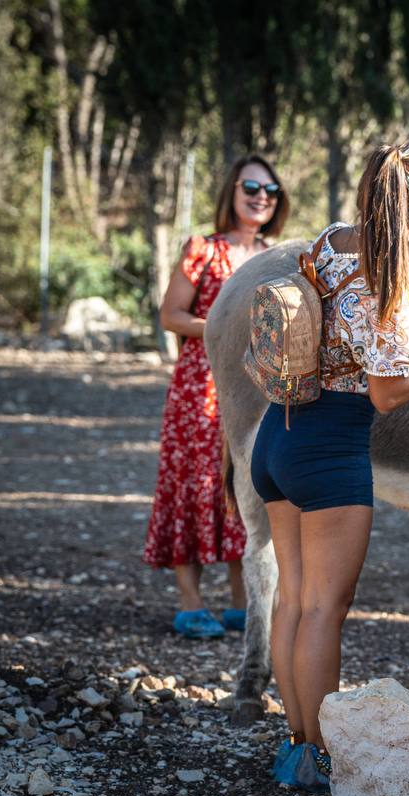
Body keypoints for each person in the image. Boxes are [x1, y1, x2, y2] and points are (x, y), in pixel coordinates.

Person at [250, 142, 409, 789]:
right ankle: (319, 758)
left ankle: (298, 747)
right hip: (331, 450)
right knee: (324, 609)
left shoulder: (328, 241)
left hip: (279, 432)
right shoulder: (389, 282)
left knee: (293, 600)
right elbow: (385, 392)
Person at [144, 154, 290, 639]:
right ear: (231, 189)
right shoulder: (202, 250)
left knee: (244, 483)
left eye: (270, 190)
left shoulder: (278, 256)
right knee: (193, 484)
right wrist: (227, 328)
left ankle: (240, 600)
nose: (260, 196)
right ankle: (190, 602)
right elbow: (171, 315)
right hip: (200, 388)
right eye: (251, 186)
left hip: (259, 387)